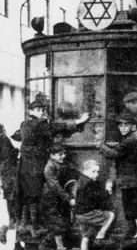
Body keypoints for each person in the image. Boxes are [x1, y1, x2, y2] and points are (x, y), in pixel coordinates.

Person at [16, 99, 89, 238]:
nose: (41, 112)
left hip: (25, 165)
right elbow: (57, 126)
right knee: (36, 195)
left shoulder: (24, 124)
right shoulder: (39, 124)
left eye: (42, 110)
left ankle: (24, 226)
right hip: (36, 165)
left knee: (28, 196)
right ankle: (35, 228)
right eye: (37, 110)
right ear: (31, 111)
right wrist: (79, 122)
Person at [99, 111, 137, 240]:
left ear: (133, 126)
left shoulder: (131, 139)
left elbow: (113, 154)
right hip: (134, 179)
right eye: (120, 125)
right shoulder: (135, 137)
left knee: (133, 206)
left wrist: (100, 146)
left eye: (126, 125)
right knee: (133, 206)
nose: (122, 128)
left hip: (134, 180)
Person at [41, 143, 80, 250]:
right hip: (50, 199)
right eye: (60, 155)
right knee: (56, 225)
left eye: (64, 154)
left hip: (59, 198)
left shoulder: (62, 164)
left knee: (63, 223)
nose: (63, 156)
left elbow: (73, 170)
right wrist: (69, 199)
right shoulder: (49, 168)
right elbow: (55, 186)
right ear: (52, 156)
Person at [76, 160, 115, 250]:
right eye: (93, 171)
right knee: (110, 215)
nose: (96, 174)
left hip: (79, 215)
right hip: (88, 213)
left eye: (97, 172)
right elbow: (99, 197)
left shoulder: (81, 180)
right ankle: (101, 234)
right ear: (85, 171)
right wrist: (108, 190)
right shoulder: (89, 183)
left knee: (86, 236)